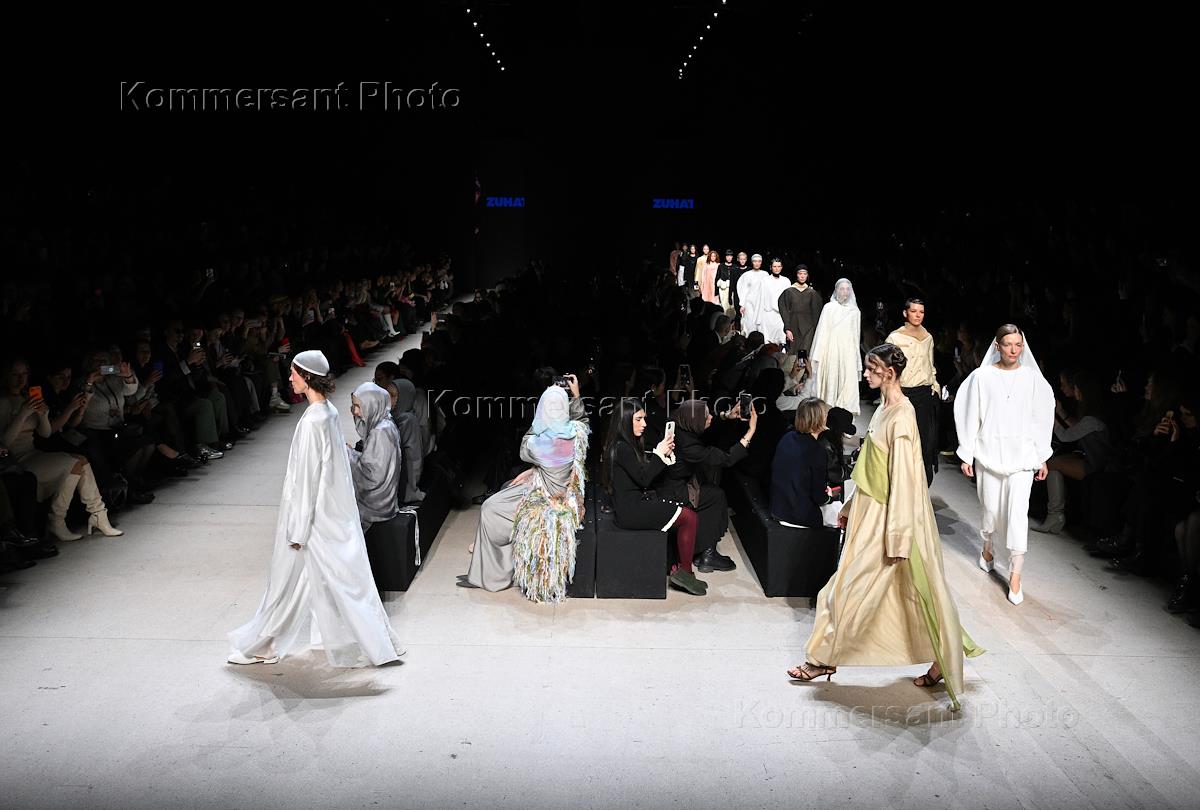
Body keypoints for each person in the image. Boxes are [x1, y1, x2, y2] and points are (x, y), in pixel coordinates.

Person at [790, 344, 985, 711]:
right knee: (901, 594)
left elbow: (906, 482)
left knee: (855, 591)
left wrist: (897, 537)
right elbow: (872, 466)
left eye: (872, 369)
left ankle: (823, 659)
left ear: (890, 373)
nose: (866, 375)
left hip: (889, 521)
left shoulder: (903, 419)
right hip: (870, 512)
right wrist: (852, 504)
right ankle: (937, 656)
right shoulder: (884, 409)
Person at [227, 351, 404, 667]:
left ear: (307, 377)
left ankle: (267, 644)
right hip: (329, 514)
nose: (289, 378)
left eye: (293, 373)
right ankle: (375, 642)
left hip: (312, 518)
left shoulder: (313, 421)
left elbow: (307, 478)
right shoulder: (328, 412)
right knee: (332, 581)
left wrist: (297, 529)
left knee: (288, 582)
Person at [462, 378, 589, 602]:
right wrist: (576, 396)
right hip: (565, 495)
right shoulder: (577, 434)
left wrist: (540, 420)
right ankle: (491, 556)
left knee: (491, 507)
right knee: (508, 486)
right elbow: (582, 421)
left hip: (545, 499)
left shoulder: (539, 444)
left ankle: (493, 574)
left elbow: (525, 445)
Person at [953, 325, 1054, 605]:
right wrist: (967, 452)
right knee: (991, 510)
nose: (1014, 350)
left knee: (1017, 515)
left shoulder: (1033, 379)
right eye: (1008, 344)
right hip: (989, 454)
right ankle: (987, 547)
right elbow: (969, 413)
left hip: (1022, 458)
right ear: (997, 346)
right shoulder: (982, 377)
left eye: (1018, 345)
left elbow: (1041, 418)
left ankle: (1015, 575)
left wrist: (1041, 455)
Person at [601, 398, 708, 595]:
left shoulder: (623, 445)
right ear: (625, 421)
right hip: (632, 511)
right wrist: (659, 454)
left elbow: (642, 474)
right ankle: (685, 573)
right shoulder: (623, 448)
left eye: (644, 418)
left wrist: (662, 456)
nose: (644, 424)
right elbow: (644, 479)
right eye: (638, 419)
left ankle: (680, 570)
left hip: (634, 505)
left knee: (685, 515)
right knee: (690, 518)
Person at [659, 399, 755, 573]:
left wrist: (726, 416)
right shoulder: (690, 446)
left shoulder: (676, 421)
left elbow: (704, 423)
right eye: (706, 416)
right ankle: (708, 554)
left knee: (711, 490)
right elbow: (726, 459)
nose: (710, 417)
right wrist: (750, 432)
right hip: (674, 491)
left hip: (672, 481)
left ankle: (703, 550)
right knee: (716, 497)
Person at [886, 298, 941, 485]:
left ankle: (922, 486)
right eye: (914, 311)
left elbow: (930, 364)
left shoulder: (928, 337)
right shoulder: (895, 338)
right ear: (905, 313)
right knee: (902, 440)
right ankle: (901, 485)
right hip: (903, 394)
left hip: (925, 394)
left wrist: (934, 385)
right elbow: (887, 369)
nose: (918, 315)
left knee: (925, 442)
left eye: (921, 312)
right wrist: (890, 395)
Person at [346, 381, 402, 532]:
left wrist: (348, 454)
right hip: (386, 500)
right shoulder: (386, 423)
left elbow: (372, 476)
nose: (355, 411)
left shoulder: (379, 432)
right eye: (353, 406)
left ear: (372, 404)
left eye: (358, 406)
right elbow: (376, 464)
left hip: (376, 505)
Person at [770, 397, 831, 528]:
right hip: (798, 515)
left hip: (778, 507)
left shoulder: (787, 437)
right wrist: (828, 497)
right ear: (820, 419)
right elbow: (818, 496)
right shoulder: (817, 451)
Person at [808, 278, 862, 414]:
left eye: (848, 289)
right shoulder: (829, 308)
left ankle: (846, 414)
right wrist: (818, 354)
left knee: (847, 381)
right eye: (842, 289)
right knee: (831, 377)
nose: (845, 292)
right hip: (831, 349)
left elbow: (856, 335)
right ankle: (828, 411)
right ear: (836, 290)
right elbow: (822, 331)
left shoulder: (855, 311)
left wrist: (856, 357)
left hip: (848, 351)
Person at [778, 263, 822, 356]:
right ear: (796, 275)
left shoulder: (812, 293)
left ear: (807, 275)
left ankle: (805, 366)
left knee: (805, 353)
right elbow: (784, 311)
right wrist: (787, 329)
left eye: (805, 274)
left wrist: (817, 330)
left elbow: (817, 313)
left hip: (809, 328)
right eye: (800, 273)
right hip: (793, 326)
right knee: (793, 353)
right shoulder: (789, 292)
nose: (802, 276)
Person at [758, 258, 792, 346]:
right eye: (774, 266)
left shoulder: (786, 281)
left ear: (782, 267)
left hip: (781, 316)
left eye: (779, 266)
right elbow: (761, 298)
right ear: (771, 267)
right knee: (767, 340)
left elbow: (788, 299)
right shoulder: (765, 280)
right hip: (768, 314)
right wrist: (759, 317)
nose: (777, 268)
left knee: (781, 340)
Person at [737, 253, 767, 335]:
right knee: (749, 322)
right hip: (749, 303)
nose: (757, 263)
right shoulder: (746, 275)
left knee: (761, 323)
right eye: (755, 261)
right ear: (752, 262)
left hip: (761, 303)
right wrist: (742, 304)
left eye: (759, 261)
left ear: (761, 262)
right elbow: (742, 290)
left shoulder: (765, 274)